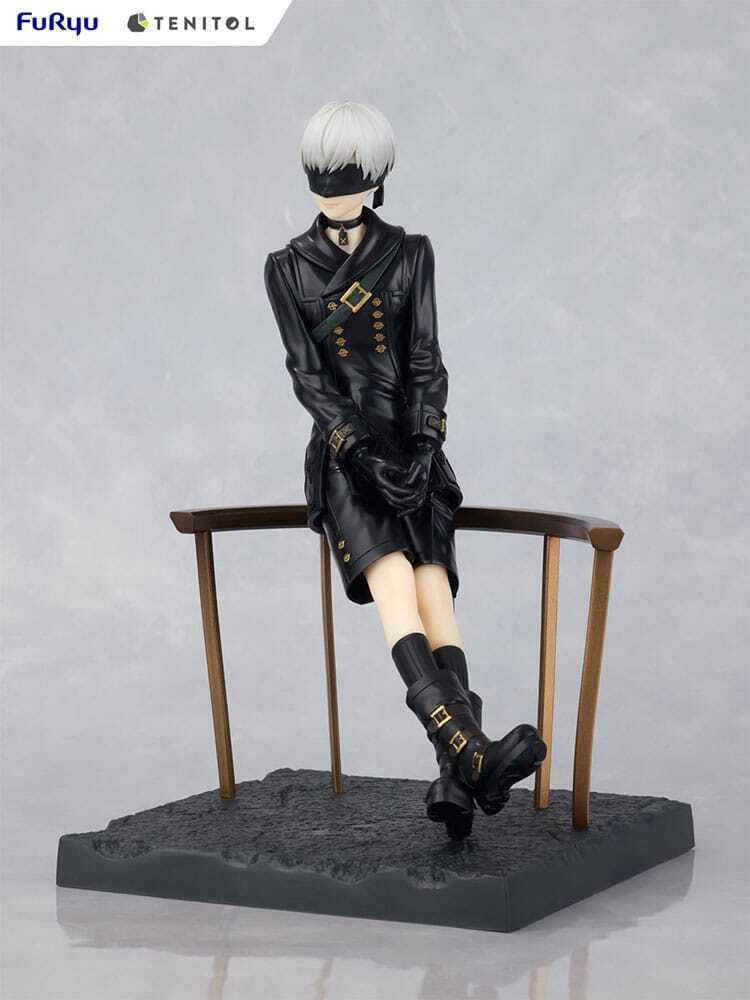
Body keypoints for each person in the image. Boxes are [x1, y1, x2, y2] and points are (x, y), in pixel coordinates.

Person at [264, 100, 546, 839]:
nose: (332, 193)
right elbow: (308, 376)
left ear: (376, 178)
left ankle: (460, 774)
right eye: (320, 179)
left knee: (435, 594)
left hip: (413, 451)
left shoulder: (411, 252)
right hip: (345, 456)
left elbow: (425, 359)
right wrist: (359, 451)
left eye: (346, 179)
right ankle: (472, 752)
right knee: (394, 585)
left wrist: (422, 446)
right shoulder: (286, 268)